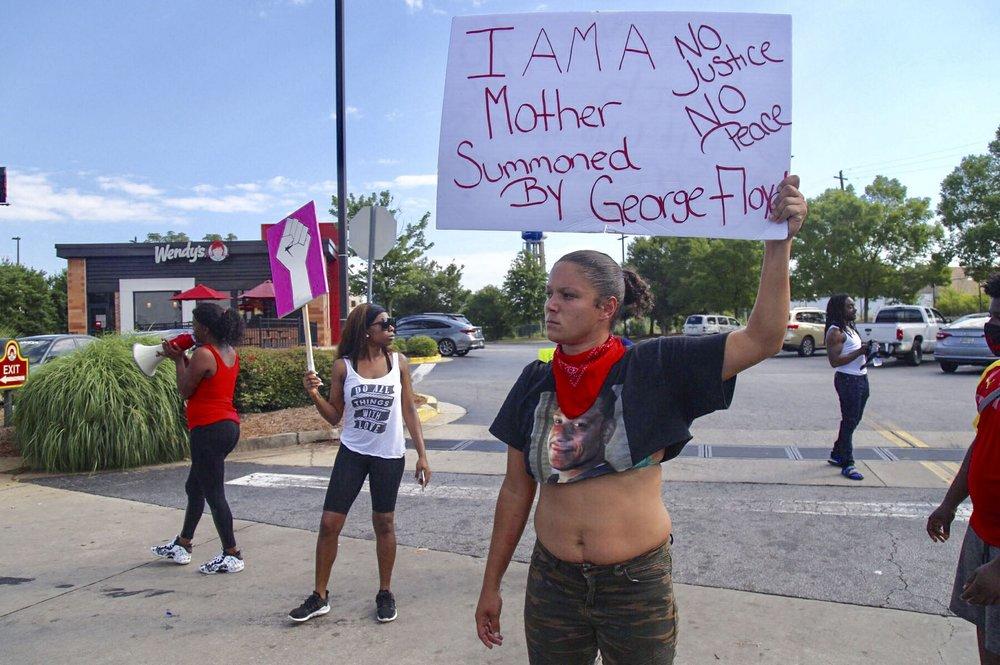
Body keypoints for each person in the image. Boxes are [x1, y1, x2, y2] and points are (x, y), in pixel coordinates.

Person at [476, 176, 808, 664]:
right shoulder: (534, 381)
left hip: (635, 585)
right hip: (554, 584)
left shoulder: (654, 367)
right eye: (550, 293)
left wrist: (778, 245)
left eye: (568, 296)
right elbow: (515, 491)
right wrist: (491, 585)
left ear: (607, 307)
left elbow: (762, 338)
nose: (551, 303)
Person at [288, 304, 432, 624]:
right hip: (352, 453)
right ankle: (320, 595)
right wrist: (314, 394)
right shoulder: (344, 367)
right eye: (385, 323)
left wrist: (422, 455)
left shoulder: (399, 363)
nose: (391, 327)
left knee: (384, 524)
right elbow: (334, 417)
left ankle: (385, 592)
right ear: (367, 330)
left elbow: (409, 410)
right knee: (329, 524)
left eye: (391, 323)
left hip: (389, 455)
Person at [928, 272, 1000, 665]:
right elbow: (981, 444)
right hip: (982, 531)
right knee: (986, 636)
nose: (992, 327)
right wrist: (950, 503)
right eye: (992, 317)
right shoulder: (993, 377)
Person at [151, 302, 246, 574]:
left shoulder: (204, 353)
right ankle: (183, 543)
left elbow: (184, 389)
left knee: (214, 493)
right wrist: (183, 358)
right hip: (227, 426)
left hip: (208, 429)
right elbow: (207, 381)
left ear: (204, 328)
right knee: (195, 488)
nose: (192, 330)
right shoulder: (228, 352)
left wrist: (177, 359)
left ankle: (232, 553)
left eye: (194, 325)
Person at [824, 294, 872, 481]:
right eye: (850, 307)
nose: (854, 309)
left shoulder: (850, 328)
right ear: (840, 309)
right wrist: (859, 351)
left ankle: (837, 452)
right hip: (847, 380)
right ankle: (847, 463)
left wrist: (867, 350)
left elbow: (852, 352)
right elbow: (834, 361)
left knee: (854, 419)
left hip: (861, 378)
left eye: (853, 306)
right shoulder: (835, 332)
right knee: (849, 420)